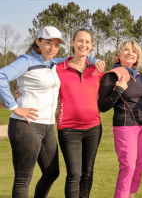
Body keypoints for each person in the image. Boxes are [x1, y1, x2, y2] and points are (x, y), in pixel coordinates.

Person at [0, 26, 104, 198]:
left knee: (51, 173)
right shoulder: (27, 60)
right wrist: (14, 106)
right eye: (48, 43)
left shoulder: (52, 62)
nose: (52, 48)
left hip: (47, 127)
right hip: (26, 125)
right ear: (38, 42)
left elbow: (78, 57)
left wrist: (94, 60)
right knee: (23, 178)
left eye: (56, 45)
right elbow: (2, 76)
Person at [98, 40, 142, 198]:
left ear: (137, 57)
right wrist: (119, 89)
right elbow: (103, 106)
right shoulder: (111, 76)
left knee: (139, 166)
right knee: (128, 166)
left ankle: (132, 195)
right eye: (126, 50)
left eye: (134, 51)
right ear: (118, 55)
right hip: (125, 126)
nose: (130, 53)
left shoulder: (141, 77)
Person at [55, 28, 104, 198]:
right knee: (74, 174)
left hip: (94, 128)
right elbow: (36, 76)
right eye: (80, 41)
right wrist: (20, 91)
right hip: (68, 129)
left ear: (92, 46)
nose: (83, 44)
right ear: (73, 43)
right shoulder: (58, 68)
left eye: (87, 42)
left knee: (88, 172)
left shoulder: (97, 70)